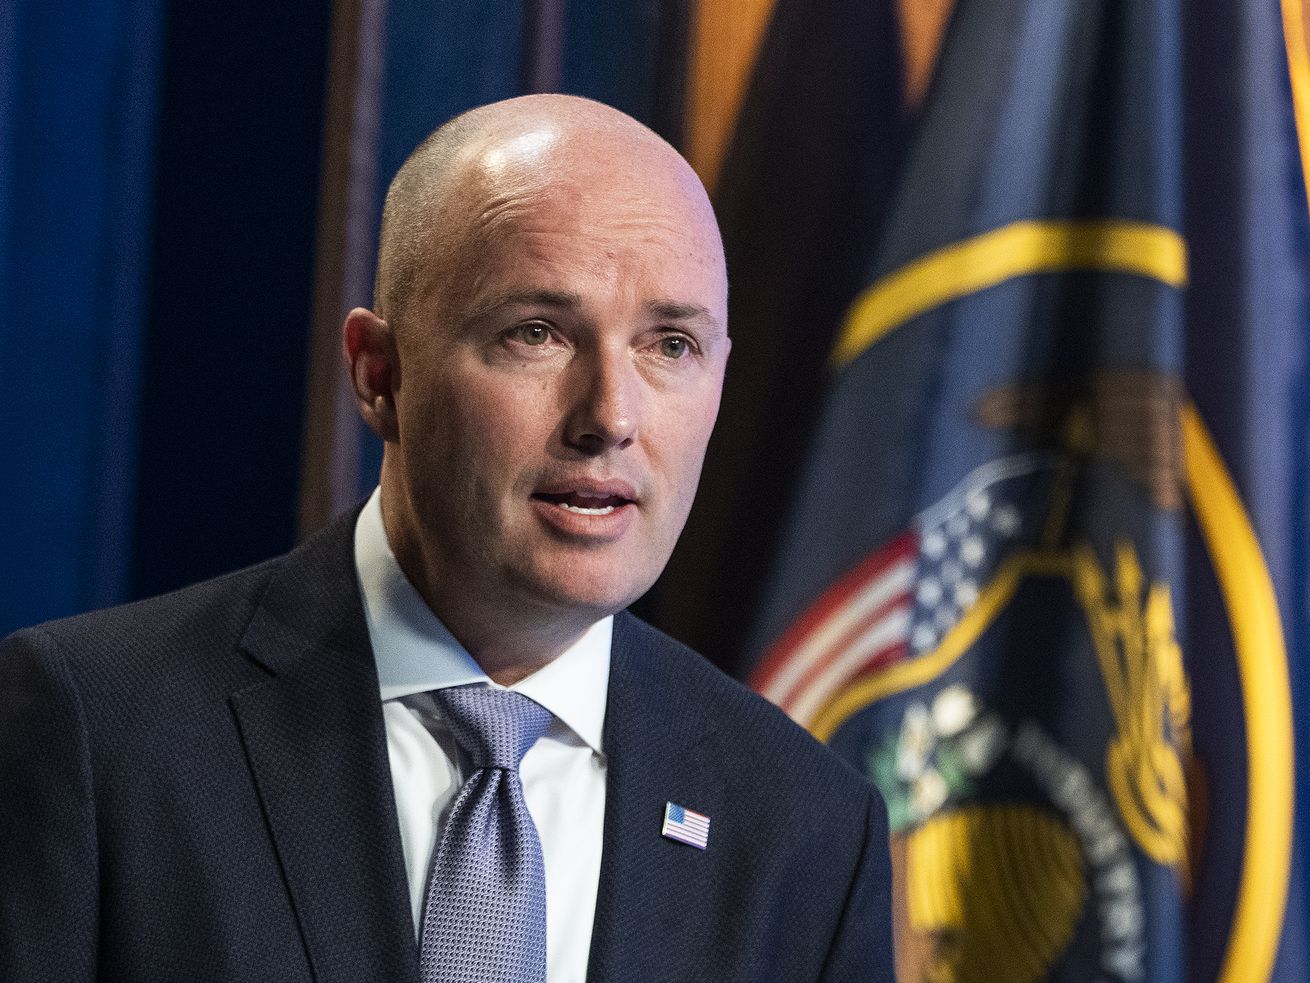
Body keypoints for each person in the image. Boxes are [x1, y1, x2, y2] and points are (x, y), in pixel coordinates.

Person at [0, 95, 893, 982]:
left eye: (670, 345)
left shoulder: (805, 830)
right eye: (536, 333)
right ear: (379, 374)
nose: (611, 417)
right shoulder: (96, 732)